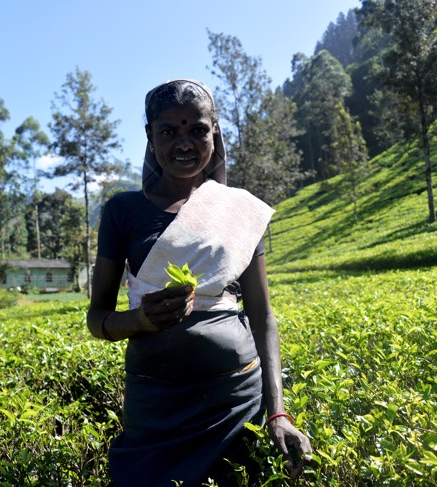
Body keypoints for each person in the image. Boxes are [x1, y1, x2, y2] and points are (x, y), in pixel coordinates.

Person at [88, 79, 312, 486]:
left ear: (215, 132)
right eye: (169, 131)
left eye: (197, 130)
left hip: (235, 403)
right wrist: (138, 320)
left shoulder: (239, 210)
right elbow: (97, 318)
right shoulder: (123, 211)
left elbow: (262, 318)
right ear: (149, 136)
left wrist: (278, 413)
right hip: (156, 406)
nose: (184, 143)